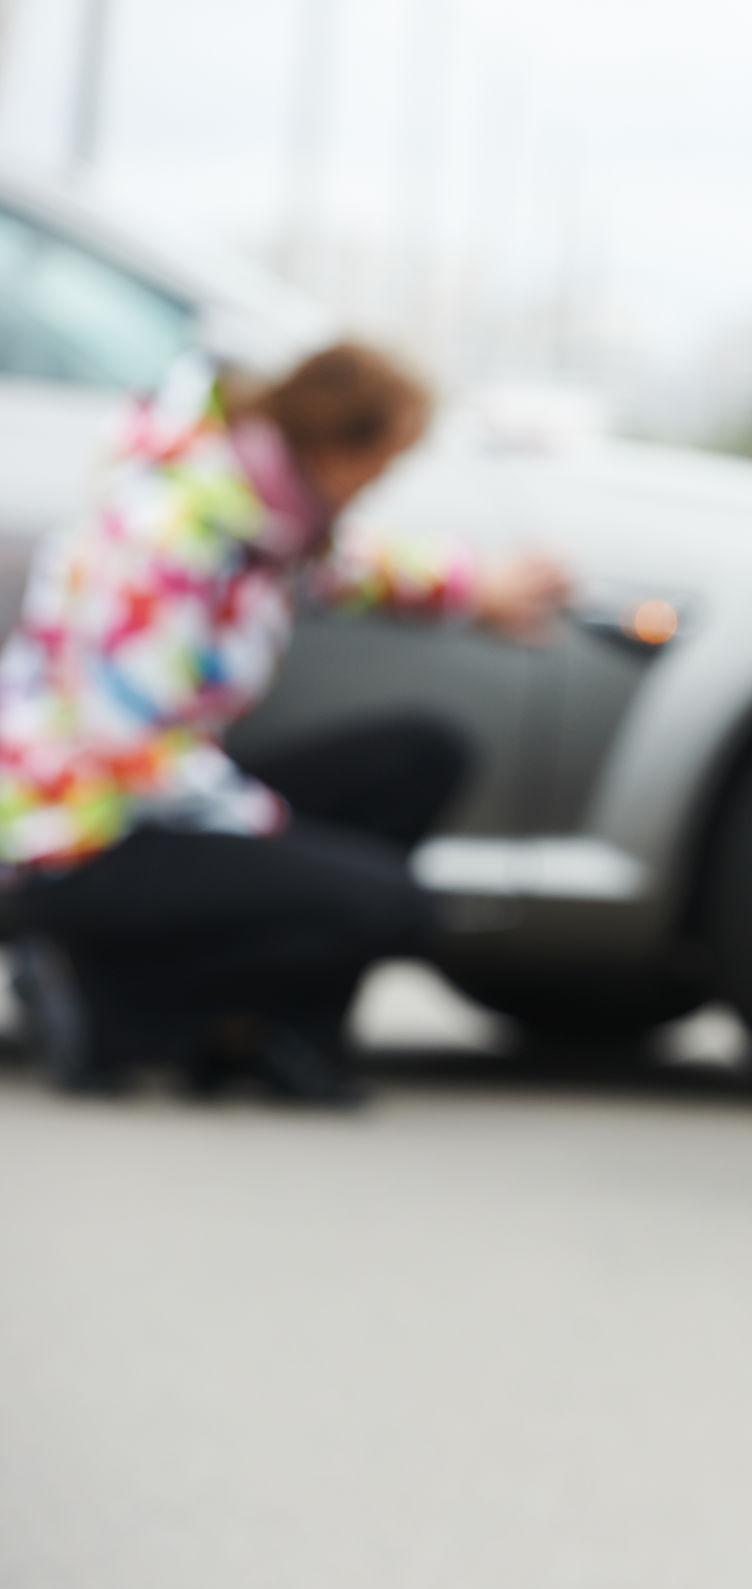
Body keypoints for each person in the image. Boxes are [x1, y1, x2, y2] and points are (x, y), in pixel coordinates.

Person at [0, 341, 570, 1102]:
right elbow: (128, 745)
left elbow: (354, 567)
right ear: (335, 445)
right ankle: (111, 1001)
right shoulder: (164, 534)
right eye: (384, 462)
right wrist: (278, 834)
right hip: (72, 833)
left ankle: (274, 1032)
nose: (380, 484)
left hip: (150, 801)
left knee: (422, 755)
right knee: (386, 900)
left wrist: (480, 589)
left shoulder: (261, 513)